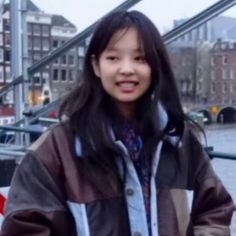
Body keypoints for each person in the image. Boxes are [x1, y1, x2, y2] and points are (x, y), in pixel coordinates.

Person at [1, 10, 234, 236]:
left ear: (155, 66)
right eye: (113, 58)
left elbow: (213, 208)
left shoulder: (179, 141)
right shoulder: (55, 150)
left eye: (140, 58)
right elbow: (24, 226)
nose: (126, 69)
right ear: (96, 65)